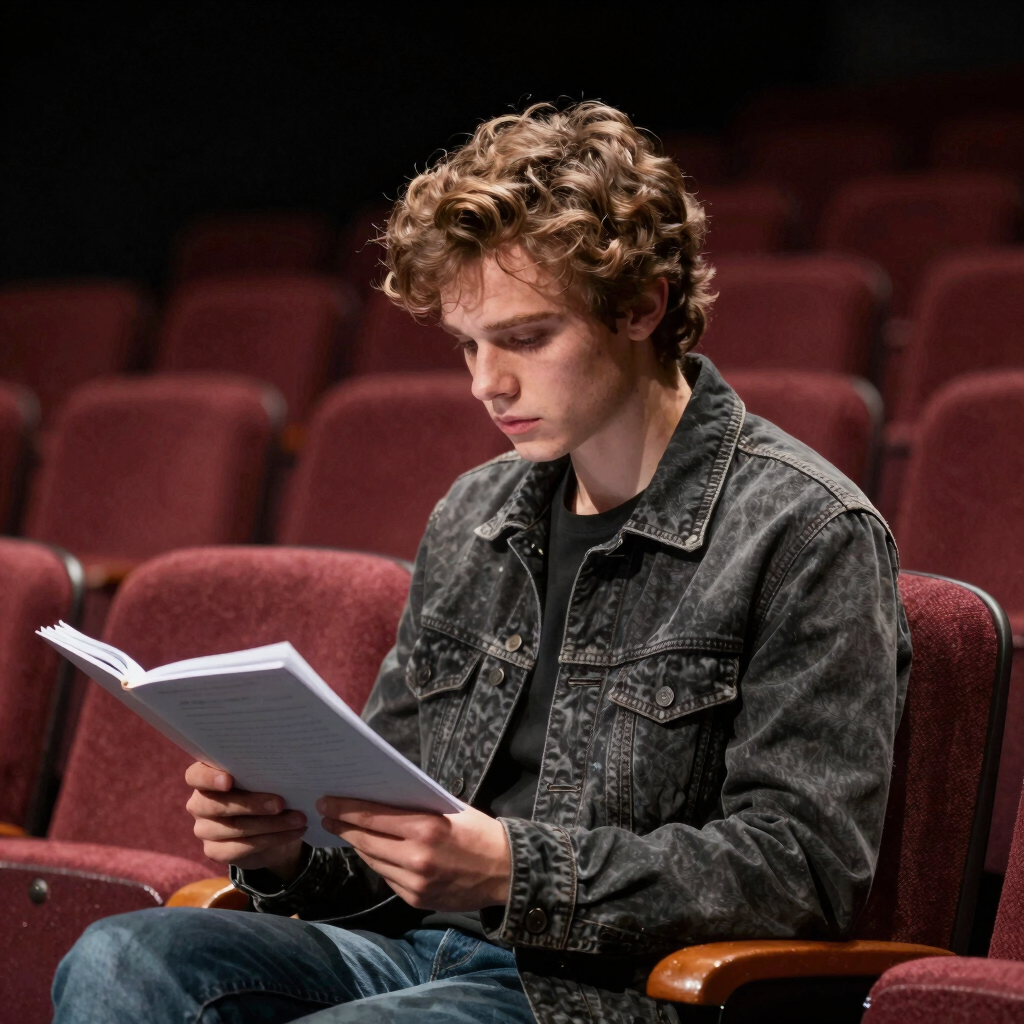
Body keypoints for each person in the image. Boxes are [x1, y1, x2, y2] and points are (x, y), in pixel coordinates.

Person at [52, 101, 910, 1024]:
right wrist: (283, 853)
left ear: (640, 305)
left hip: (599, 991)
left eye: (527, 338)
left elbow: (801, 870)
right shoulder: (474, 512)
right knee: (123, 955)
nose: (484, 383)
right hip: (415, 952)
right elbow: (383, 842)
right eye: (469, 343)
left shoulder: (805, 530)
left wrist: (511, 867)